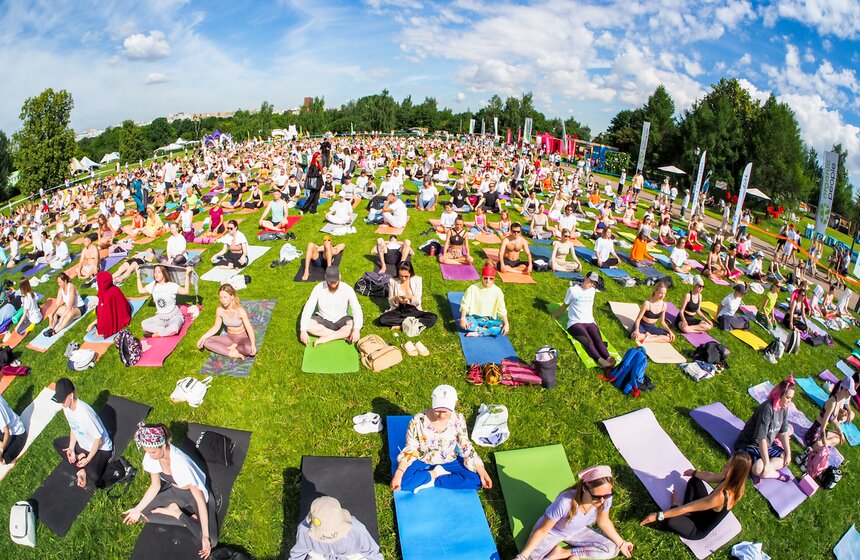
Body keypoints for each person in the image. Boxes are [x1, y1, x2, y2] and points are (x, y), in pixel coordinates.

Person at [123, 423, 214, 559]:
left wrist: (206, 536)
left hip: (192, 497)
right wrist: (137, 509)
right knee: (141, 515)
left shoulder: (181, 463)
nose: (150, 455)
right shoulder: (151, 457)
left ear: (163, 445)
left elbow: (199, 499)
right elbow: (155, 486)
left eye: (153, 452)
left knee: (211, 538)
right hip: (174, 492)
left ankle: (176, 513)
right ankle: (181, 514)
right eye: (147, 451)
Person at [517, 465, 634, 560]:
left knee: (612, 549)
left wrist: (621, 543)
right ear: (584, 488)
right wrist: (522, 557)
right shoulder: (565, 502)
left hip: (578, 531)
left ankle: (563, 553)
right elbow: (543, 530)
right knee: (531, 557)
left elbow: (603, 521)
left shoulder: (605, 498)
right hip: (553, 532)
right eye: (596, 496)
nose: (602, 500)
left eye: (607, 495)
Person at [390, 384, 492, 494]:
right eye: (437, 411)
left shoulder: (458, 419)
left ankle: (434, 481)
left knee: (476, 480)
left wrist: (481, 470)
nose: (441, 415)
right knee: (403, 482)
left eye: (446, 412)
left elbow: (465, 445)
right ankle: (435, 473)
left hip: (449, 459)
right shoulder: (418, 420)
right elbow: (411, 447)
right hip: (423, 458)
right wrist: (398, 474)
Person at [640, 453, 751, 541]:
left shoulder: (721, 496)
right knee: (695, 480)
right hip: (702, 512)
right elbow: (710, 476)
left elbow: (688, 507)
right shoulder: (733, 481)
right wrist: (694, 472)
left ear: (734, 471)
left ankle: (677, 510)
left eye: (728, 465)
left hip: (697, 528)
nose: (724, 465)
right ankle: (682, 513)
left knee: (669, 520)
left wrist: (658, 515)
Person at [52, 378, 113, 488]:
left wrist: (87, 459)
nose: (62, 403)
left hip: (101, 448)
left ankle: (82, 467)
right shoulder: (66, 407)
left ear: (71, 395)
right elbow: (73, 426)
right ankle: (80, 464)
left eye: (63, 400)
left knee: (93, 476)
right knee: (57, 444)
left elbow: (99, 440)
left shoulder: (85, 413)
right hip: (83, 444)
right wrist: (71, 448)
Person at [733, 377, 795, 480]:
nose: (790, 401)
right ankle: (777, 475)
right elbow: (761, 438)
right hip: (751, 443)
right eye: (788, 397)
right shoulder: (767, 409)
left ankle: (766, 470)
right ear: (780, 394)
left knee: (785, 457)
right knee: (758, 469)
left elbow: (783, 432)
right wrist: (766, 463)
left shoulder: (784, 408)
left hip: (768, 444)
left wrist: (788, 453)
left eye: (791, 398)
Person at [553, 272, 616, 369]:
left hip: (590, 321)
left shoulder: (593, 290)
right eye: (590, 281)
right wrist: (557, 314)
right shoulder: (573, 290)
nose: (591, 284)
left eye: (594, 283)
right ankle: (600, 360)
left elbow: (602, 286)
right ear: (585, 278)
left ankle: (608, 358)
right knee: (589, 341)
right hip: (575, 323)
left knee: (598, 340)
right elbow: (565, 304)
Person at [289, 496, 383, 560]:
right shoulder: (304, 530)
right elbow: (299, 551)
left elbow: (371, 550)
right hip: (322, 556)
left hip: (352, 556)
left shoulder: (357, 529)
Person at [299, 266, 363, 346]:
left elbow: (356, 309)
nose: (333, 283)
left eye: (335, 281)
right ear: (325, 277)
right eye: (330, 281)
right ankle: (341, 335)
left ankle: (326, 338)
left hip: (341, 318)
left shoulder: (348, 289)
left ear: (339, 277)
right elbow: (309, 307)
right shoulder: (318, 288)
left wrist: (356, 329)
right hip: (323, 318)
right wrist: (303, 330)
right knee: (307, 325)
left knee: (353, 325)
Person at [196, 284, 257, 360]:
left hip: (243, 337)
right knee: (207, 342)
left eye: (225, 297)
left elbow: (249, 328)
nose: (222, 300)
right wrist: (202, 337)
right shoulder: (220, 310)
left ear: (232, 297)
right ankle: (231, 353)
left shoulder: (240, 311)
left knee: (250, 349)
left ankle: (234, 348)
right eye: (220, 297)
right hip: (230, 338)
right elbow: (216, 327)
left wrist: (253, 345)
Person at [802, 376, 857, 451]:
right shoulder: (832, 402)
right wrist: (825, 444)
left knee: (838, 438)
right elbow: (822, 428)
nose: (850, 395)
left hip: (820, 432)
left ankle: (819, 446)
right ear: (844, 389)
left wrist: (840, 432)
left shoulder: (841, 400)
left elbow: (834, 419)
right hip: (814, 434)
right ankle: (817, 446)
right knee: (827, 443)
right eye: (849, 392)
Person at [378, 261, 437, 330]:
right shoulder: (393, 281)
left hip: (413, 309)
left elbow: (418, 301)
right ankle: (411, 323)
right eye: (401, 276)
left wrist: (410, 298)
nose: (403, 279)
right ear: (398, 273)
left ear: (411, 273)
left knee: (433, 317)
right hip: (399, 310)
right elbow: (390, 301)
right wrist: (396, 299)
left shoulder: (417, 280)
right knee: (382, 319)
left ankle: (401, 326)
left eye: (406, 276)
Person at [136, 265, 191, 337]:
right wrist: (138, 276)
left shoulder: (171, 285)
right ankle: (165, 331)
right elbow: (141, 291)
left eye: (159, 272)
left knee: (174, 328)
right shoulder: (153, 285)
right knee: (144, 324)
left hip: (174, 316)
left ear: (164, 273)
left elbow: (185, 291)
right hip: (160, 317)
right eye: (155, 272)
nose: (156, 274)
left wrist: (187, 275)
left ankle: (155, 335)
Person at [459, 265, 509, 337]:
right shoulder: (472, 288)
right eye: (485, 278)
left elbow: (502, 309)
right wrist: (463, 318)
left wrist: (506, 323)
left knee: (500, 327)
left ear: (494, 279)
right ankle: (485, 331)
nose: (488, 280)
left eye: (491, 278)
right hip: (473, 317)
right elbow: (465, 304)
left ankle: (477, 332)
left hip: (488, 319)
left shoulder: (498, 291)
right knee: (464, 324)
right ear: (482, 277)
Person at [85, 271, 132, 339]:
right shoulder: (114, 288)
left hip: (120, 318)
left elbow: (106, 318)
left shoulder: (107, 296)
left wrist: (92, 324)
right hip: (125, 313)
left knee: (99, 310)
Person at [44, 272, 87, 337]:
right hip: (69, 308)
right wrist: (51, 314)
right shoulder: (61, 289)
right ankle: (50, 328)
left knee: (69, 314)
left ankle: (55, 331)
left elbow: (70, 306)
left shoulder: (71, 287)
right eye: (58, 282)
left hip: (79, 308)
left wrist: (62, 318)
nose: (59, 284)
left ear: (65, 281)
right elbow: (57, 304)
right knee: (55, 311)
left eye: (60, 282)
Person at [0, 394, 26, 465]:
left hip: (17, 434)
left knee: (4, 460)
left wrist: (1, 450)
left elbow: (7, 433)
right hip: (4, 431)